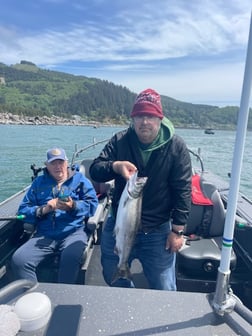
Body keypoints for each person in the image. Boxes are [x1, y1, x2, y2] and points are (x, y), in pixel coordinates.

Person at [89, 88, 192, 290]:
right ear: (133, 119)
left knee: (164, 287)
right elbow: (95, 170)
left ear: (160, 119)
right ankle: (125, 309)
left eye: (150, 116)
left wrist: (177, 231)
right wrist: (115, 166)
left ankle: (162, 319)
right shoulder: (120, 140)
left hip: (158, 230)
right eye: (139, 116)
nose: (145, 121)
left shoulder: (176, 146)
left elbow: (183, 189)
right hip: (119, 224)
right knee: (115, 277)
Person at [11, 147, 98, 284]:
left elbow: (92, 205)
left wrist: (73, 206)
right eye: (53, 163)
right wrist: (44, 209)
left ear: (66, 163)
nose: (58, 167)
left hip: (73, 232)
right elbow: (23, 210)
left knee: (70, 257)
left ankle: (63, 297)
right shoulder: (38, 183)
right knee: (19, 260)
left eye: (61, 162)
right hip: (44, 234)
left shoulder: (80, 180)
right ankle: (35, 298)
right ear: (47, 165)